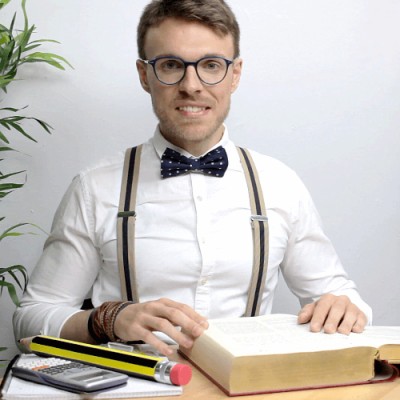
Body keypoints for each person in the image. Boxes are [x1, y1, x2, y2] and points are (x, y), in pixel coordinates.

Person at [13, 0, 371, 357]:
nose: (191, 85)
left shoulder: (280, 184)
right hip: (132, 383)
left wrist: (342, 307)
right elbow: (30, 318)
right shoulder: (94, 187)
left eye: (211, 65)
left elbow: (342, 298)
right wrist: (108, 319)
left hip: (247, 384)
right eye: (171, 65)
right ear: (144, 75)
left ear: (235, 74)